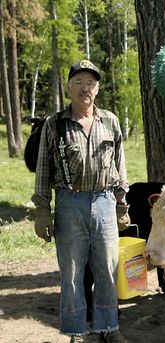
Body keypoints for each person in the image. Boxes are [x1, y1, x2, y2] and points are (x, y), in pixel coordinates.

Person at [32, 59, 130, 343]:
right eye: (78, 82)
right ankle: (75, 331)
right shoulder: (55, 124)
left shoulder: (110, 121)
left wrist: (122, 204)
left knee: (108, 269)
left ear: (97, 89)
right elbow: (43, 169)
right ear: (68, 88)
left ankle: (108, 328)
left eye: (90, 83)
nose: (84, 88)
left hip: (104, 203)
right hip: (68, 203)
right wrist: (42, 210)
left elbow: (119, 166)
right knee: (72, 273)